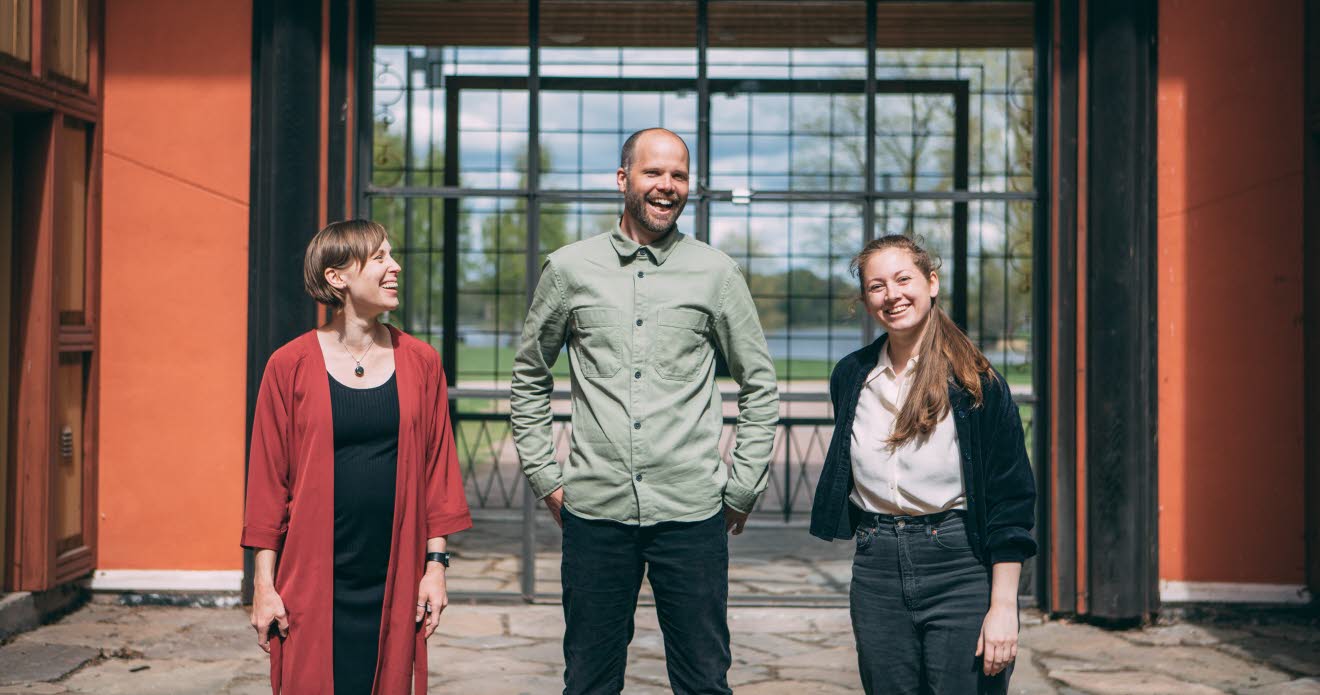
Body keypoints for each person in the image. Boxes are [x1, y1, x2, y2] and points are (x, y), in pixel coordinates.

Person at [510, 128, 779, 695]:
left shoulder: (717, 273)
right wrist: (544, 475)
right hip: (595, 512)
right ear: (623, 179)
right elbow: (530, 375)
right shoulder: (568, 269)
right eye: (654, 172)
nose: (667, 186)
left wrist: (743, 486)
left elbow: (759, 386)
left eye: (679, 175)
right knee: (588, 682)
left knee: (705, 682)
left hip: (692, 515)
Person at [242, 219, 472, 695]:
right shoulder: (289, 366)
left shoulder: (422, 362)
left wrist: (436, 568)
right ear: (337, 276)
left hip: (396, 572)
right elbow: (268, 484)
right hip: (312, 576)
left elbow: (438, 475)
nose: (395, 267)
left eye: (392, 255)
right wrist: (264, 587)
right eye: (381, 258)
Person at [809, 234, 1037, 694]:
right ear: (866, 300)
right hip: (876, 571)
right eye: (877, 286)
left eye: (902, 279)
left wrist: (1003, 607)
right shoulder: (851, 376)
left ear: (931, 282)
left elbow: (1011, 503)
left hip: (959, 565)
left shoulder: (976, 382)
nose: (892, 295)